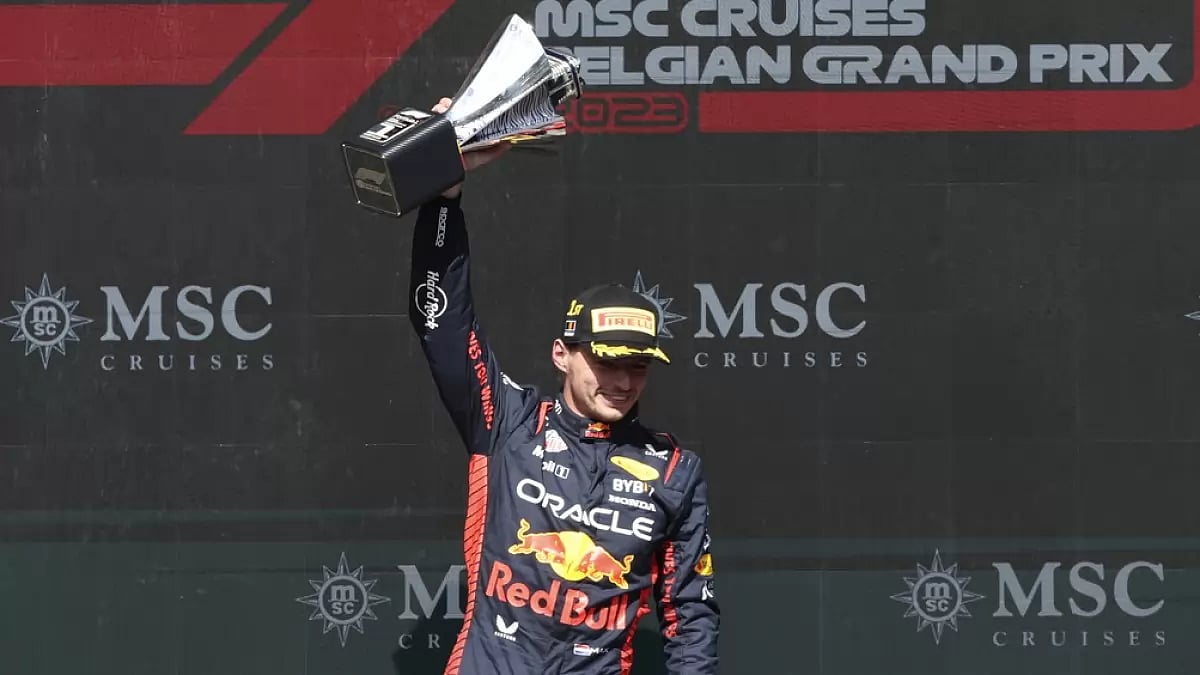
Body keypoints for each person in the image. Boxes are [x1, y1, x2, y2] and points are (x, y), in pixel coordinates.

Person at [406, 97, 720, 675]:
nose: (623, 381)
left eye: (638, 366)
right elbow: (441, 322)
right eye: (606, 362)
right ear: (562, 354)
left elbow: (689, 615)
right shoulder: (508, 422)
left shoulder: (674, 470)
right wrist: (444, 199)